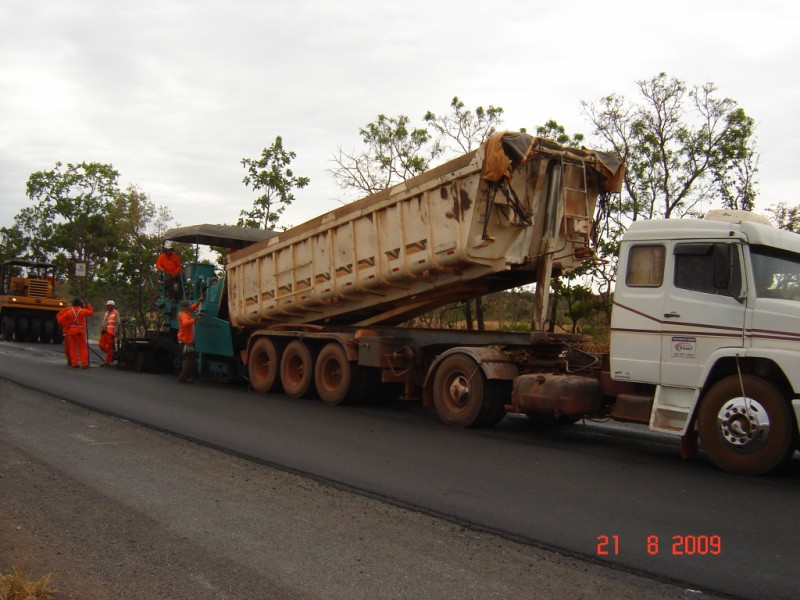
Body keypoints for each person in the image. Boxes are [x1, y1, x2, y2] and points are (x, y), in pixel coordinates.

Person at [61, 298, 94, 368]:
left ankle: (74, 363)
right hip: (80, 332)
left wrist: (67, 326)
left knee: (72, 349)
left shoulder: (69, 312)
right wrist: (88, 304)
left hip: (71, 332)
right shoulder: (83, 311)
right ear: (80, 304)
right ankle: (84, 364)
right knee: (83, 348)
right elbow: (91, 312)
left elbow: (61, 320)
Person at [177, 298, 202, 383]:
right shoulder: (184, 315)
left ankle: (188, 376)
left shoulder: (184, 312)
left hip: (185, 341)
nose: (190, 307)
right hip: (185, 341)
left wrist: (198, 303)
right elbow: (185, 323)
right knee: (190, 360)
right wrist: (195, 319)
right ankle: (183, 377)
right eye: (189, 305)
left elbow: (192, 308)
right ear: (186, 307)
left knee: (190, 359)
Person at [99, 299, 120, 366]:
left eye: (108, 306)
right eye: (107, 306)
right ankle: (111, 355)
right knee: (101, 345)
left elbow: (117, 323)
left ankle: (107, 362)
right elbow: (104, 322)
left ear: (112, 306)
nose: (107, 307)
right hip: (104, 332)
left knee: (110, 347)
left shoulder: (116, 313)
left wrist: (115, 332)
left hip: (111, 333)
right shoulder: (106, 313)